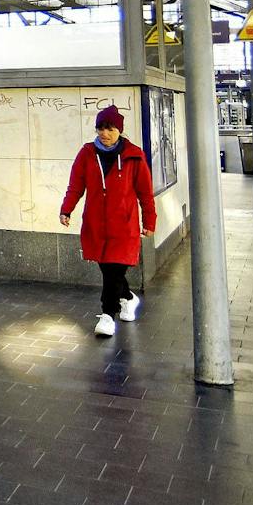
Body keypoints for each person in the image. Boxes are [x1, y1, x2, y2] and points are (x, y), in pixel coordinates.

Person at [59, 104, 157, 337]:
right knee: (109, 270)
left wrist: (149, 221)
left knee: (113, 270)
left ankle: (107, 316)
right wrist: (66, 209)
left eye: (110, 129)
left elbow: (145, 192)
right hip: (96, 224)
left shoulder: (134, 156)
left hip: (124, 225)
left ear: (119, 130)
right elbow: (76, 186)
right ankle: (128, 298)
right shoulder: (86, 154)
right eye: (100, 128)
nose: (104, 133)